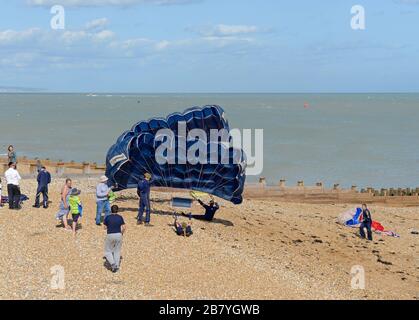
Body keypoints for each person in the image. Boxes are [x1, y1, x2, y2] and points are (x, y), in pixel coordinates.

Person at [104, 205, 126, 273]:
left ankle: (112, 263)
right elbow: (124, 227)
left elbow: (104, 227)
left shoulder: (107, 217)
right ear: (117, 210)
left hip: (110, 234)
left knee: (107, 251)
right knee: (117, 251)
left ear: (111, 210)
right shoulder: (120, 217)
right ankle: (117, 265)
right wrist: (121, 233)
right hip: (118, 234)